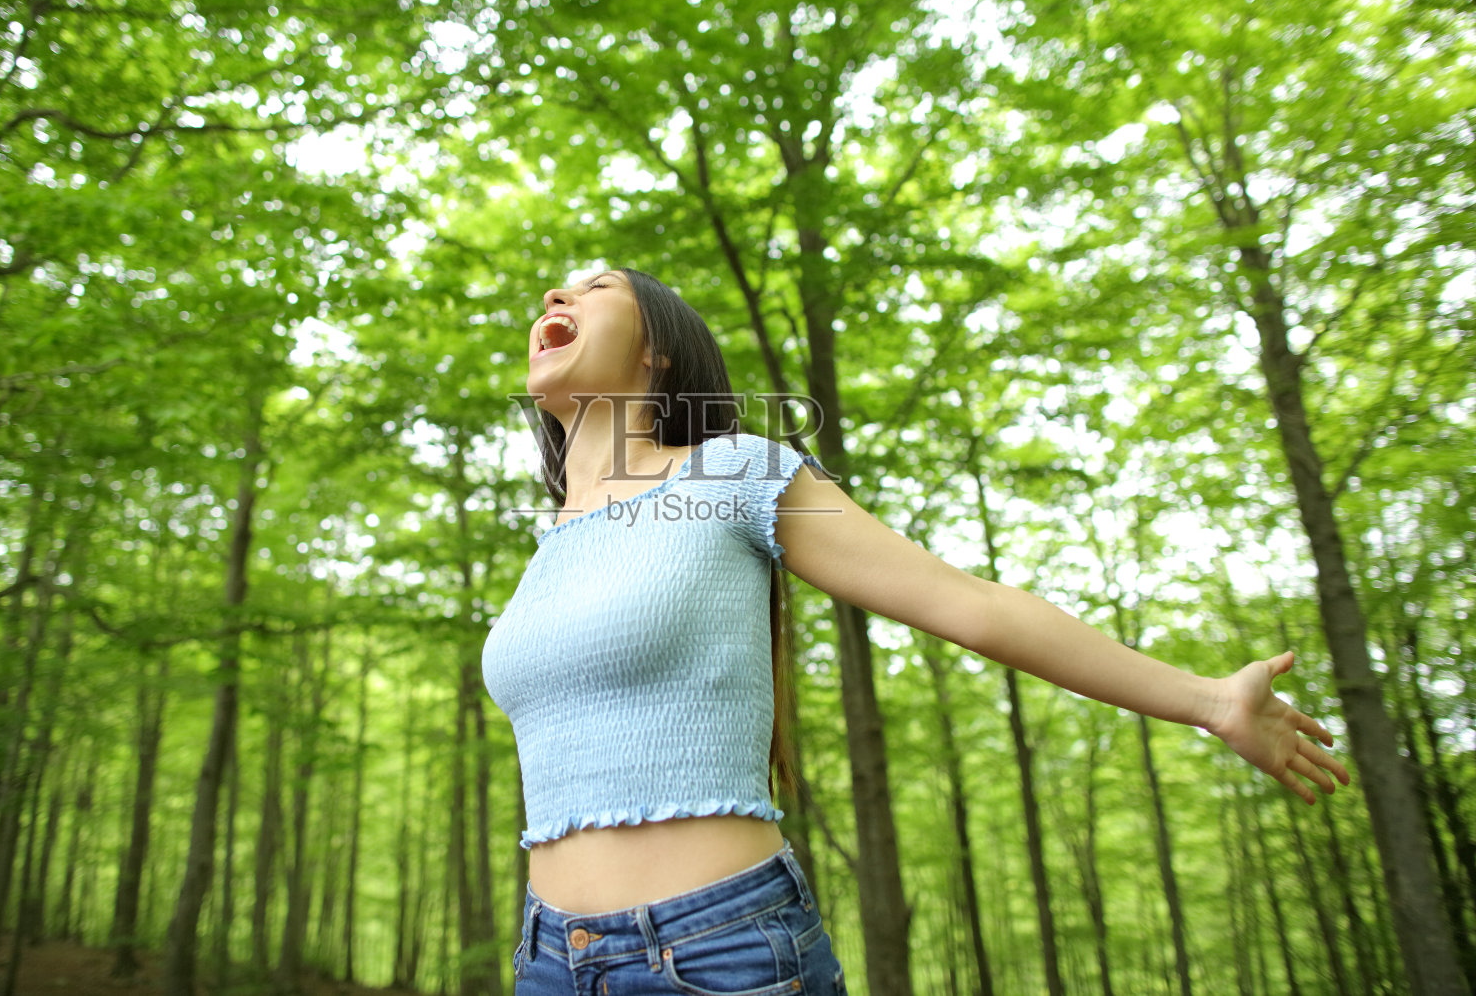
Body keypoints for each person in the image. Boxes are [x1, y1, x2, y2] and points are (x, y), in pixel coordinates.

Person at [482, 267, 1348, 996]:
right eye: (556, 291)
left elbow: (970, 603)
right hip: (548, 958)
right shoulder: (548, 550)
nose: (558, 295)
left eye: (596, 288)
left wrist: (1208, 700)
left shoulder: (734, 472)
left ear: (658, 350)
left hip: (717, 951)